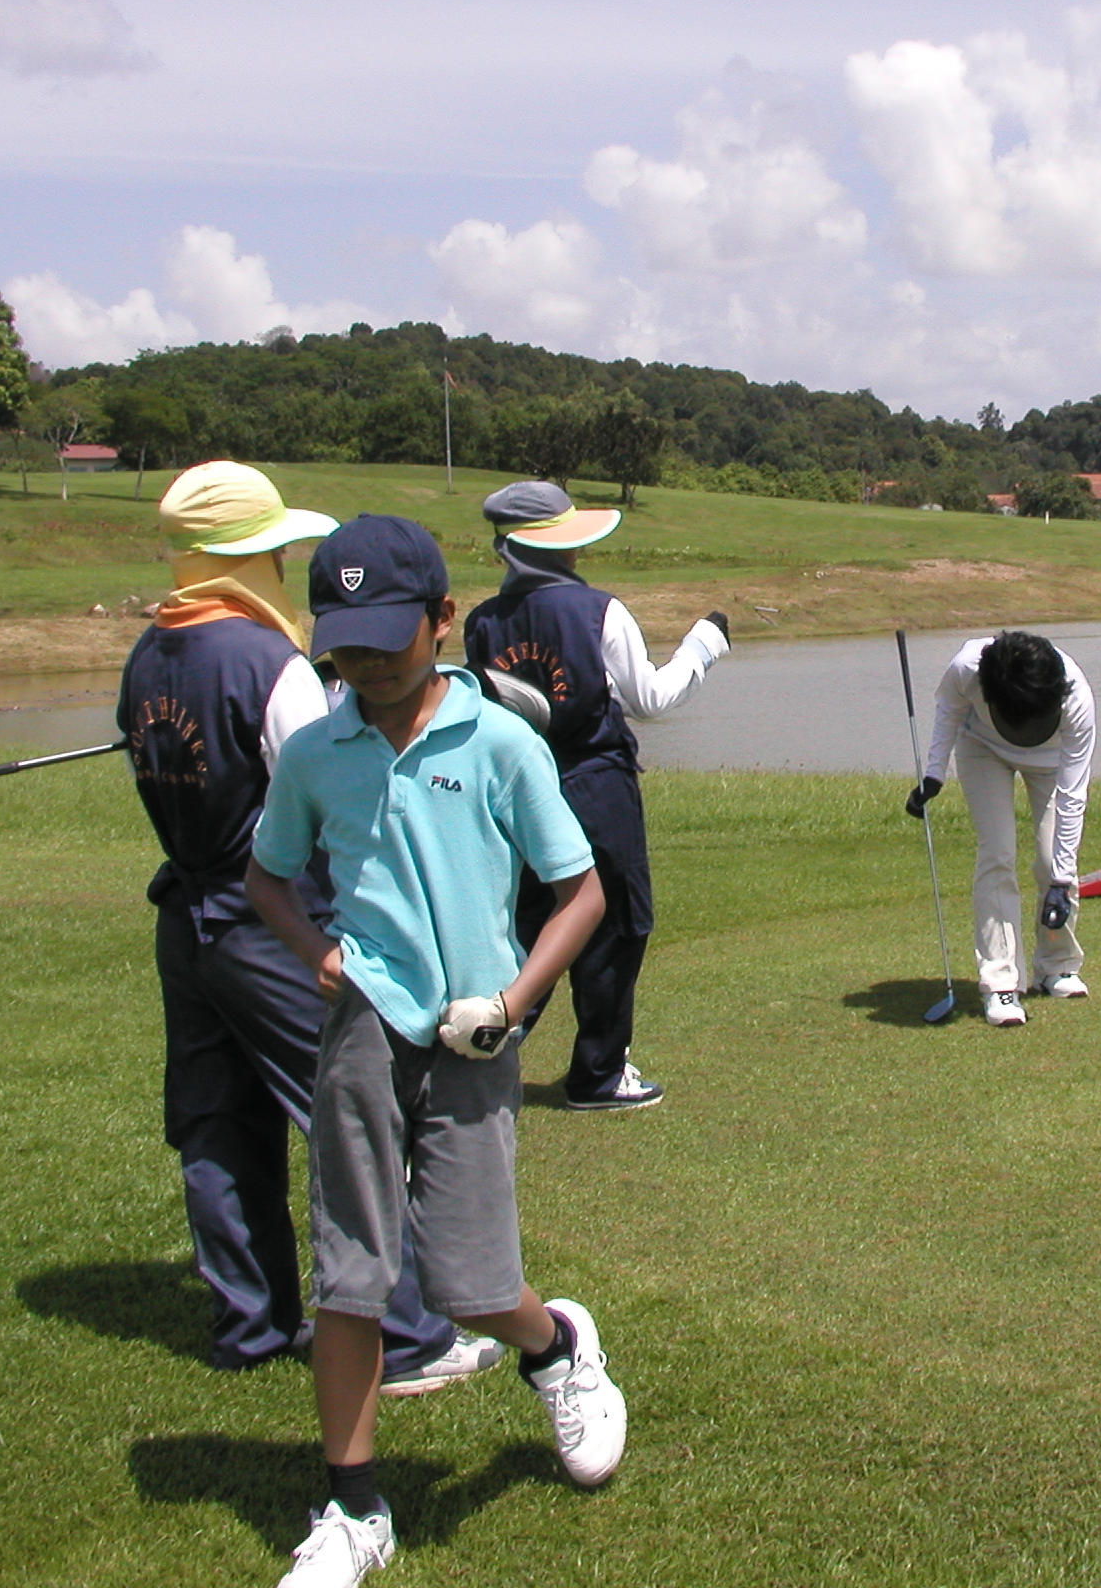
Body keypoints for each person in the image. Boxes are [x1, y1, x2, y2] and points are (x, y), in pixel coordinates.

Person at [247, 513, 623, 1588]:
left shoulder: (501, 742)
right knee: (350, 1275)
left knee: (469, 1287)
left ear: (443, 618)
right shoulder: (315, 754)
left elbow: (581, 893)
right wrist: (317, 953)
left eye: (384, 639)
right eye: (343, 646)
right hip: (364, 1024)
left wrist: (513, 1000)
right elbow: (267, 876)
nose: (364, 665)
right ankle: (353, 1505)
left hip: (474, 1033)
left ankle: (554, 1347)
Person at [117, 462, 491, 1394]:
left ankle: (250, 1325)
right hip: (271, 926)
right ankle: (407, 1338)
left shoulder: (146, 655)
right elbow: (322, 790)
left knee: (215, 1121)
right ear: (248, 557)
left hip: (186, 926)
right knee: (347, 1125)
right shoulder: (268, 661)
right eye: (274, 550)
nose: (283, 564)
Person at [462, 480, 729, 1111]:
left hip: (518, 792)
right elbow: (650, 699)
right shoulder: (598, 610)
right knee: (614, 923)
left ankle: (489, 1044)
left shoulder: (481, 622)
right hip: (594, 786)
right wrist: (703, 645)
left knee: (529, 921)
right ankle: (599, 1074)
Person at [906, 631, 1096, 1027]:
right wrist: (934, 773)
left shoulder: (1076, 696)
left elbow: (1072, 797)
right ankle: (1000, 984)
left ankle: (1057, 966)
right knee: (998, 854)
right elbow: (949, 710)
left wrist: (1061, 880)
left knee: (1052, 860)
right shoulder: (967, 667)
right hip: (983, 749)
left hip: (1051, 759)